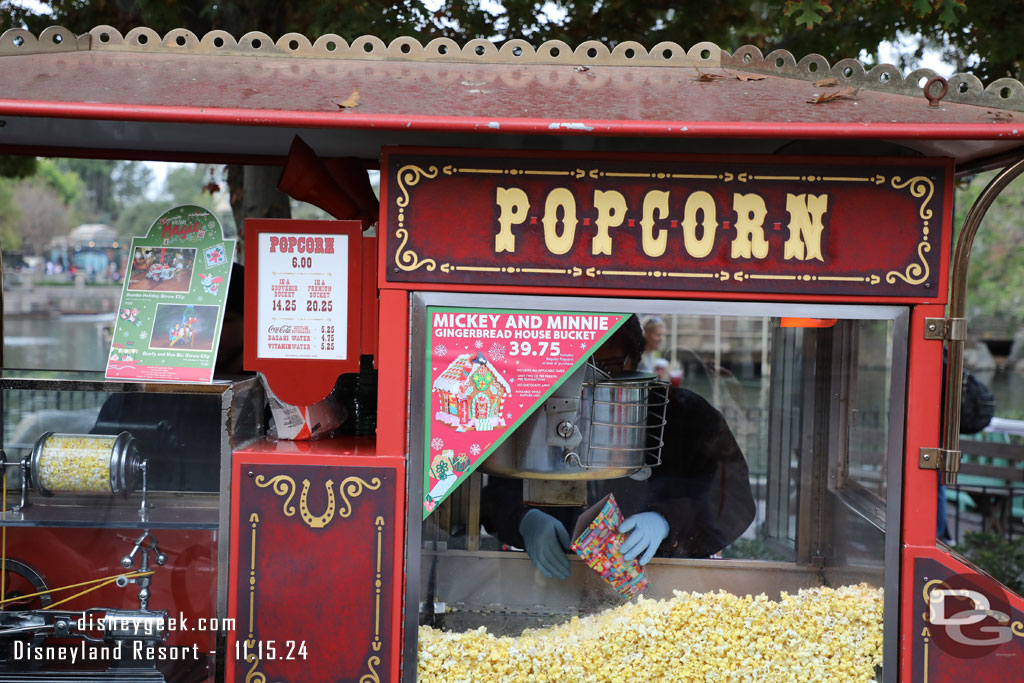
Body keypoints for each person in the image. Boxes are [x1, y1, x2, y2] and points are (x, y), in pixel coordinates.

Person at [480, 315, 756, 579]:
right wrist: (525, 520)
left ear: (636, 358)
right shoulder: (537, 414)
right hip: (558, 577)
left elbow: (735, 503)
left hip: (665, 580)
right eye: (577, 368)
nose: (591, 380)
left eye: (608, 366)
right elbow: (494, 495)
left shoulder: (687, 415)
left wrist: (667, 522)